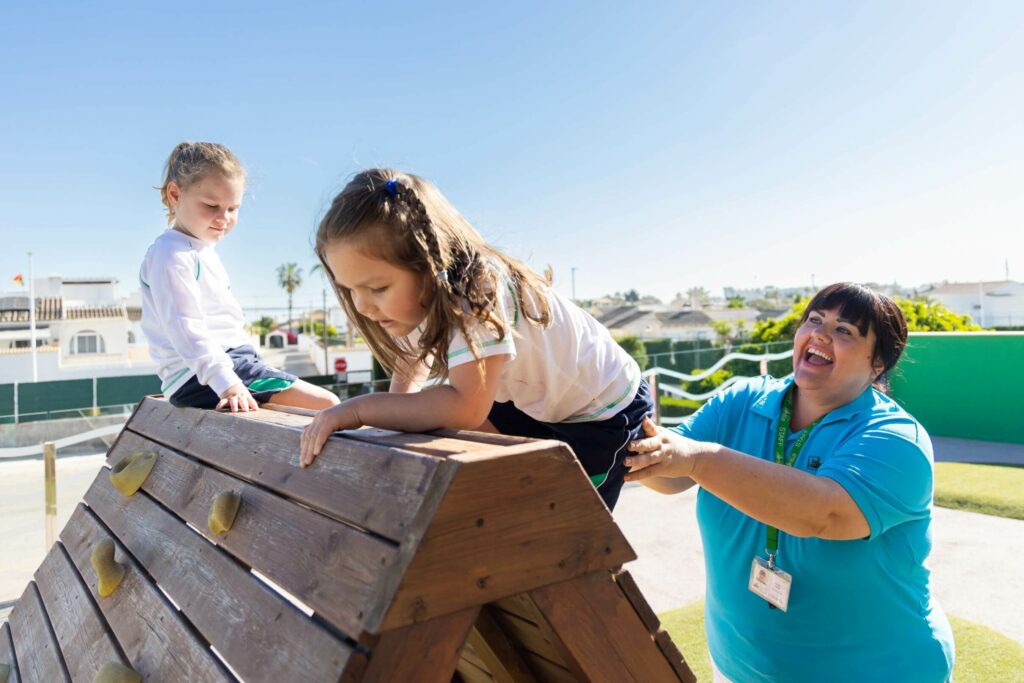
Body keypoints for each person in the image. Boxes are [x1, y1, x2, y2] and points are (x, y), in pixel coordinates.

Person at [625, 283, 954, 682]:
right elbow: (668, 473)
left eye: (845, 330)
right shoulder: (741, 401)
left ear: (878, 363)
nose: (820, 333)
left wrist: (696, 459)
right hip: (738, 669)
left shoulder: (898, 439)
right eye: (814, 320)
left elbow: (821, 513)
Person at [299, 168, 651, 510]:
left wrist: (358, 410)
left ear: (428, 263)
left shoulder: (476, 287)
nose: (362, 306)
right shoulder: (415, 303)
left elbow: (466, 407)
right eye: (350, 291)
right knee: (454, 446)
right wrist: (389, 435)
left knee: (567, 526)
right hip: (528, 404)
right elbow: (409, 368)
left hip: (600, 411)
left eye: (377, 288)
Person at [140, 141, 339, 413]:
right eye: (212, 205)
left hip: (222, 369)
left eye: (233, 208)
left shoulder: (200, 250)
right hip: (203, 377)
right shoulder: (170, 254)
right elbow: (186, 329)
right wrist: (228, 385)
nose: (224, 217)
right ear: (175, 194)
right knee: (328, 405)